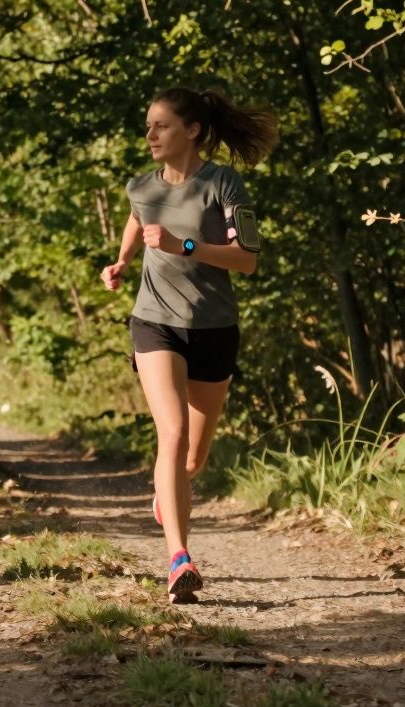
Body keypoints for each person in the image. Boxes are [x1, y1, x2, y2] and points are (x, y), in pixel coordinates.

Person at [100, 87, 278, 603]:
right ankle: (179, 559)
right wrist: (123, 262)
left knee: (193, 460)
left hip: (214, 327)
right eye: (148, 125)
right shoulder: (140, 185)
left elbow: (247, 259)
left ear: (192, 131)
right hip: (154, 322)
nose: (150, 135)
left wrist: (187, 247)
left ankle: (168, 495)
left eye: (161, 126)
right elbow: (139, 218)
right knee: (171, 433)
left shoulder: (222, 183)